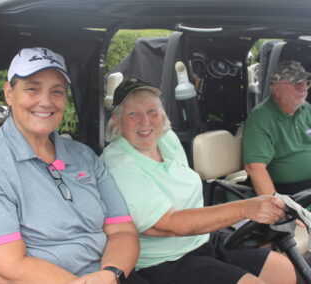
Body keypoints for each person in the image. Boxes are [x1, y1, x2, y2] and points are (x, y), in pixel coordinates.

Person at [0, 47, 146, 284]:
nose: (46, 101)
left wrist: (112, 274)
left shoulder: (84, 156)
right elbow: (3, 265)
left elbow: (122, 231)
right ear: (9, 93)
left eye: (57, 91)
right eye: (32, 88)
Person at [101, 78, 296, 284]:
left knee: (281, 269)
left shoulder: (166, 139)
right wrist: (247, 208)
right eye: (133, 114)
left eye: (152, 111)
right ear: (116, 119)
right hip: (165, 262)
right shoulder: (119, 163)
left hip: (202, 239)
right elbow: (169, 224)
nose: (145, 121)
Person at [243, 60, 311, 196]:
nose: (303, 89)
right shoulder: (261, 117)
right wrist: (276, 205)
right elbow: (255, 168)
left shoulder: (306, 109)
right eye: (297, 84)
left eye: (306, 83)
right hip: (291, 192)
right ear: (276, 89)